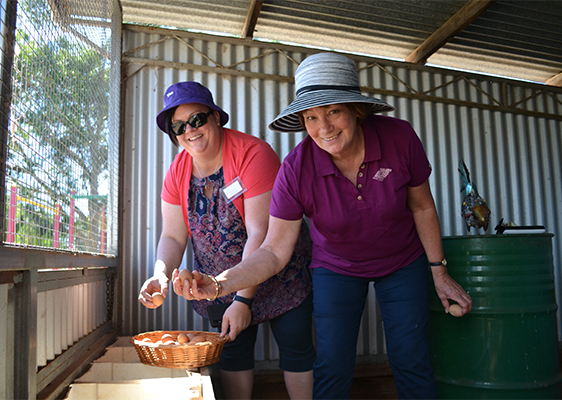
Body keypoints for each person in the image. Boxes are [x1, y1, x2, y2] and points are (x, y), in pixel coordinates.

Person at [180, 53, 473, 399]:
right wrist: (217, 284)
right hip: (337, 267)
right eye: (312, 117)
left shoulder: (399, 138)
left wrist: (439, 272)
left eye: (334, 111)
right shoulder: (296, 169)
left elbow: (422, 206)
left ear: (355, 109)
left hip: (401, 261)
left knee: (411, 357)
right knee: (332, 363)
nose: (324, 127)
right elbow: (274, 251)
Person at [138, 81, 315, 400]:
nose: (189, 130)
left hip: (279, 277)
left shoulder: (253, 154)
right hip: (216, 282)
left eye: (197, 119)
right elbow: (173, 235)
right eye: (178, 126)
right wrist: (161, 275)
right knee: (232, 356)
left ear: (216, 118)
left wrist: (243, 300)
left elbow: (261, 235)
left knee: (296, 349)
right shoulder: (177, 172)